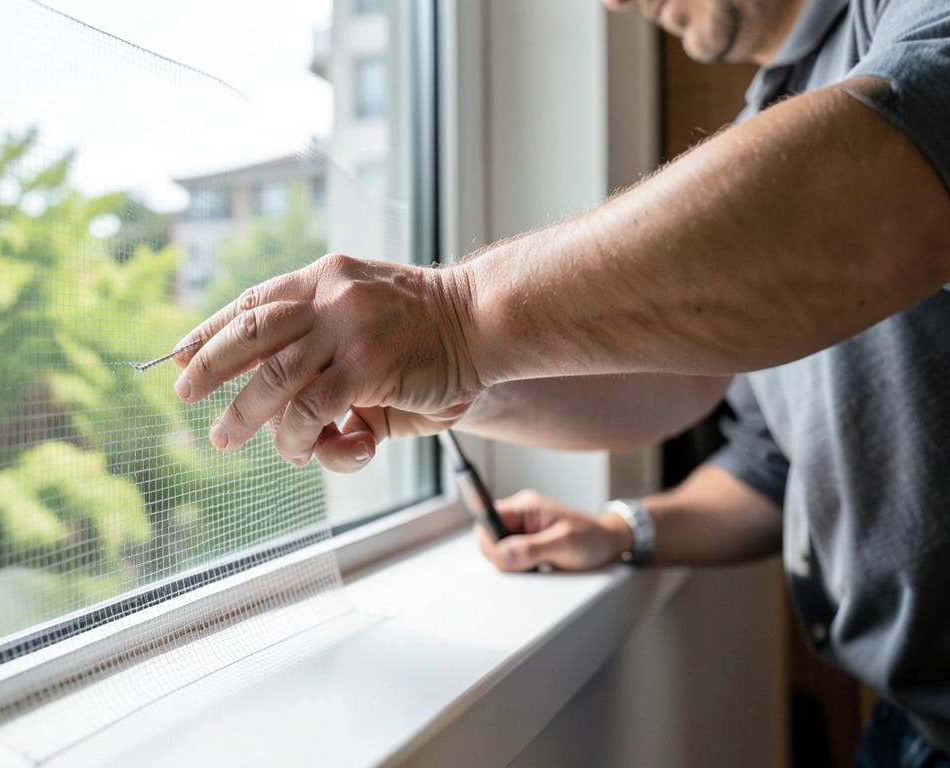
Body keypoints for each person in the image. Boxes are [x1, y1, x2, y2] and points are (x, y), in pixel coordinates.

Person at [171, 0, 950, 763]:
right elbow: (770, 458)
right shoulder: (773, 125)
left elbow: (901, 180)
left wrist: (455, 317)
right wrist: (612, 520)